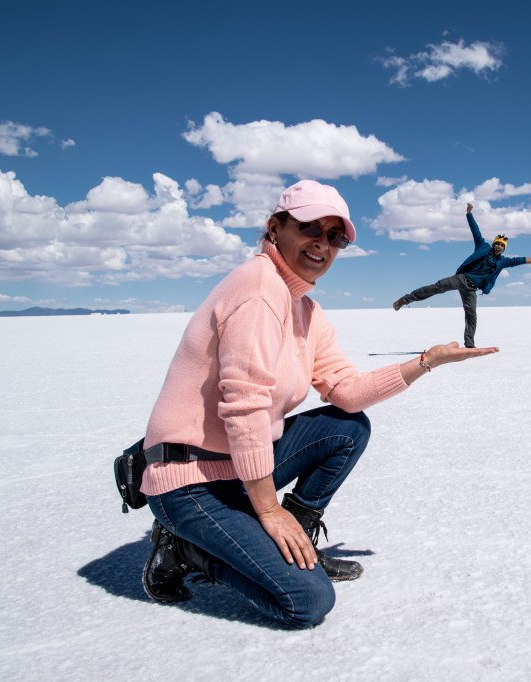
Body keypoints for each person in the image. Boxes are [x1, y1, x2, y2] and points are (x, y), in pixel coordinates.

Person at [139, 179, 497, 629]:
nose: (322, 245)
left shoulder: (304, 309)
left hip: (237, 468)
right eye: (311, 228)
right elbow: (245, 407)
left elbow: (346, 392)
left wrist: (427, 362)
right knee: (306, 602)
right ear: (275, 227)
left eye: (335, 237)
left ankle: (297, 536)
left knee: (348, 426)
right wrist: (269, 511)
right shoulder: (257, 292)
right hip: (189, 481)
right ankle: (188, 549)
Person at [392, 203, 531, 347]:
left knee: (471, 315)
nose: (499, 247)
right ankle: (404, 300)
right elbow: (476, 231)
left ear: (504, 248)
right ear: (494, 244)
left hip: (471, 289)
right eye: (498, 244)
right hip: (461, 279)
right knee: (437, 287)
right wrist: (469, 214)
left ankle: (469, 344)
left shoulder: (503, 262)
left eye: (502, 246)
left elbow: (521, 260)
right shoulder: (483, 247)